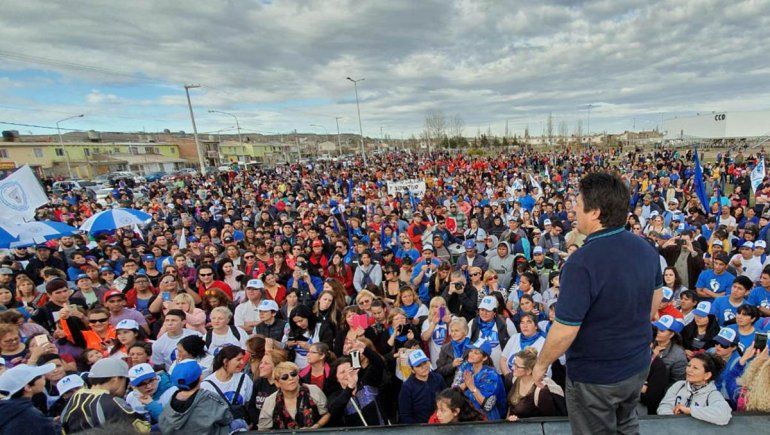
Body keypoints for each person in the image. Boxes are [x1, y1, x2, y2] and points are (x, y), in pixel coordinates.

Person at [532, 172, 663, 434]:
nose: (573, 210)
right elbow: (653, 305)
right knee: (627, 423)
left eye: (578, 205)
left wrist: (541, 364)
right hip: (636, 366)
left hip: (595, 379)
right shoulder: (646, 248)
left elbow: (565, 330)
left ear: (595, 212)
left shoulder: (581, 263)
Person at [61, 358, 151, 432]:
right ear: (115, 379)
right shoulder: (114, 403)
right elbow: (143, 430)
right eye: (125, 380)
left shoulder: (75, 397)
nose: (126, 385)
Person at [159, 359, 240, 434]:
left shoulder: (171, 400)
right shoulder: (208, 397)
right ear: (201, 377)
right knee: (239, 423)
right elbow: (227, 418)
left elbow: (163, 424)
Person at [657, 353, 732, 425]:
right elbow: (664, 406)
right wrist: (674, 420)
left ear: (707, 375)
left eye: (695, 368)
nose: (689, 370)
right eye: (689, 365)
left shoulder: (712, 394)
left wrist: (689, 410)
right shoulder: (679, 385)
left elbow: (724, 415)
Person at [258, 361, 330, 430]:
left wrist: (316, 426)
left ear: (298, 376)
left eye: (293, 374)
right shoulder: (270, 401)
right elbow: (263, 429)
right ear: (277, 383)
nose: (290, 378)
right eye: (285, 377)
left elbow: (326, 414)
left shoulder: (313, 390)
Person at [506, 347, 565, 421]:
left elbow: (549, 421)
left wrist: (521, 421)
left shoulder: (542, 391)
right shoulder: (512, 379)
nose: (512, 367)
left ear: (529, 371)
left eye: (517, 366)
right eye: (514, 363)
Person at [0, 363, 60, 434]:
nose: (43, 377)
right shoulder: (31, 415)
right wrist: (54, 425)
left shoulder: (5, 408)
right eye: (39, 376)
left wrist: (47, 421)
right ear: (27, 387)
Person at [398, 349, 446, 424]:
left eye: (425, 362)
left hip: (440, 423)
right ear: (412, 370)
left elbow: (446, 400)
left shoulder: (438, 378)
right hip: (420, 426)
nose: (424, 367)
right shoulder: (407, 387)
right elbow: (405, 414)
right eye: (418, 365)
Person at [125, 363, 177, 430]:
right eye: (142, 384)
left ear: (157, 377)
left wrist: (151, 404)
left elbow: (172, 424)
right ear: (133, 386)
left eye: (151, 380)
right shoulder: (131, 397)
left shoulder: (172, 392)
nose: (149, 386)